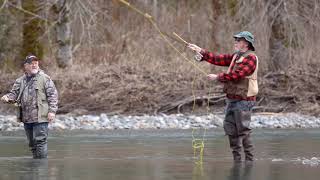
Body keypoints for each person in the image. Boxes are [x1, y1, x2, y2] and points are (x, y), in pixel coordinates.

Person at [187, 31, 258, 162]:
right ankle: (237, 160)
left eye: (239, 40)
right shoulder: (236, 56)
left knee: (243, 130)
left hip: (244, 100)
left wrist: (218, 77)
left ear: (246, 43)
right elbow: (217, 59)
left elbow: (238, 75)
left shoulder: (251, 58)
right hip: (232, 99)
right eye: (236, 40)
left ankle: (249, 161)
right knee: (230, 129)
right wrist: (201, 51)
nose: (235, 42)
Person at [1, 55, 58, 159]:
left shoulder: (45, 78)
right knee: (32, 143)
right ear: (25, 66)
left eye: (36, 63)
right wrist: (7, 98)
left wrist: (52, 111)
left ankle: (41, 167)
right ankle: (34, 168)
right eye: (32, 63)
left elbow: (53, 95)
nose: (34, 65)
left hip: (41, 116)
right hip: (26, 117)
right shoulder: (20, 80)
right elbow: (14, 95)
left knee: (40, 141)